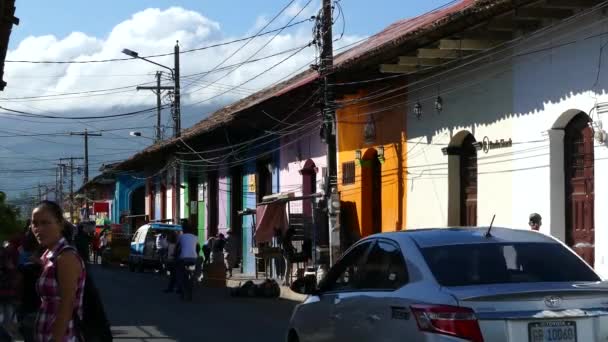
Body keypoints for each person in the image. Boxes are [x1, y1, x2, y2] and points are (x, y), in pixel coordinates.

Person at [30, 200, 86, 342]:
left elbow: (67, 305)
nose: (38, 229)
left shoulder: (65, 257)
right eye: (34, 223)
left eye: (45, 223)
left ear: (60, 224)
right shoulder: (49, 255)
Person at [174, 221, 199, 296]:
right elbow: (198, 248)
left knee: (179, 272)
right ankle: (193, 280)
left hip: (183, 258)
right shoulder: (195, 237)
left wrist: (175, 255)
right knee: (193, 272)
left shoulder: (180, 236)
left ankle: (180, 287)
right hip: (194, 258)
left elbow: (177, 247)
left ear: (183, 230)